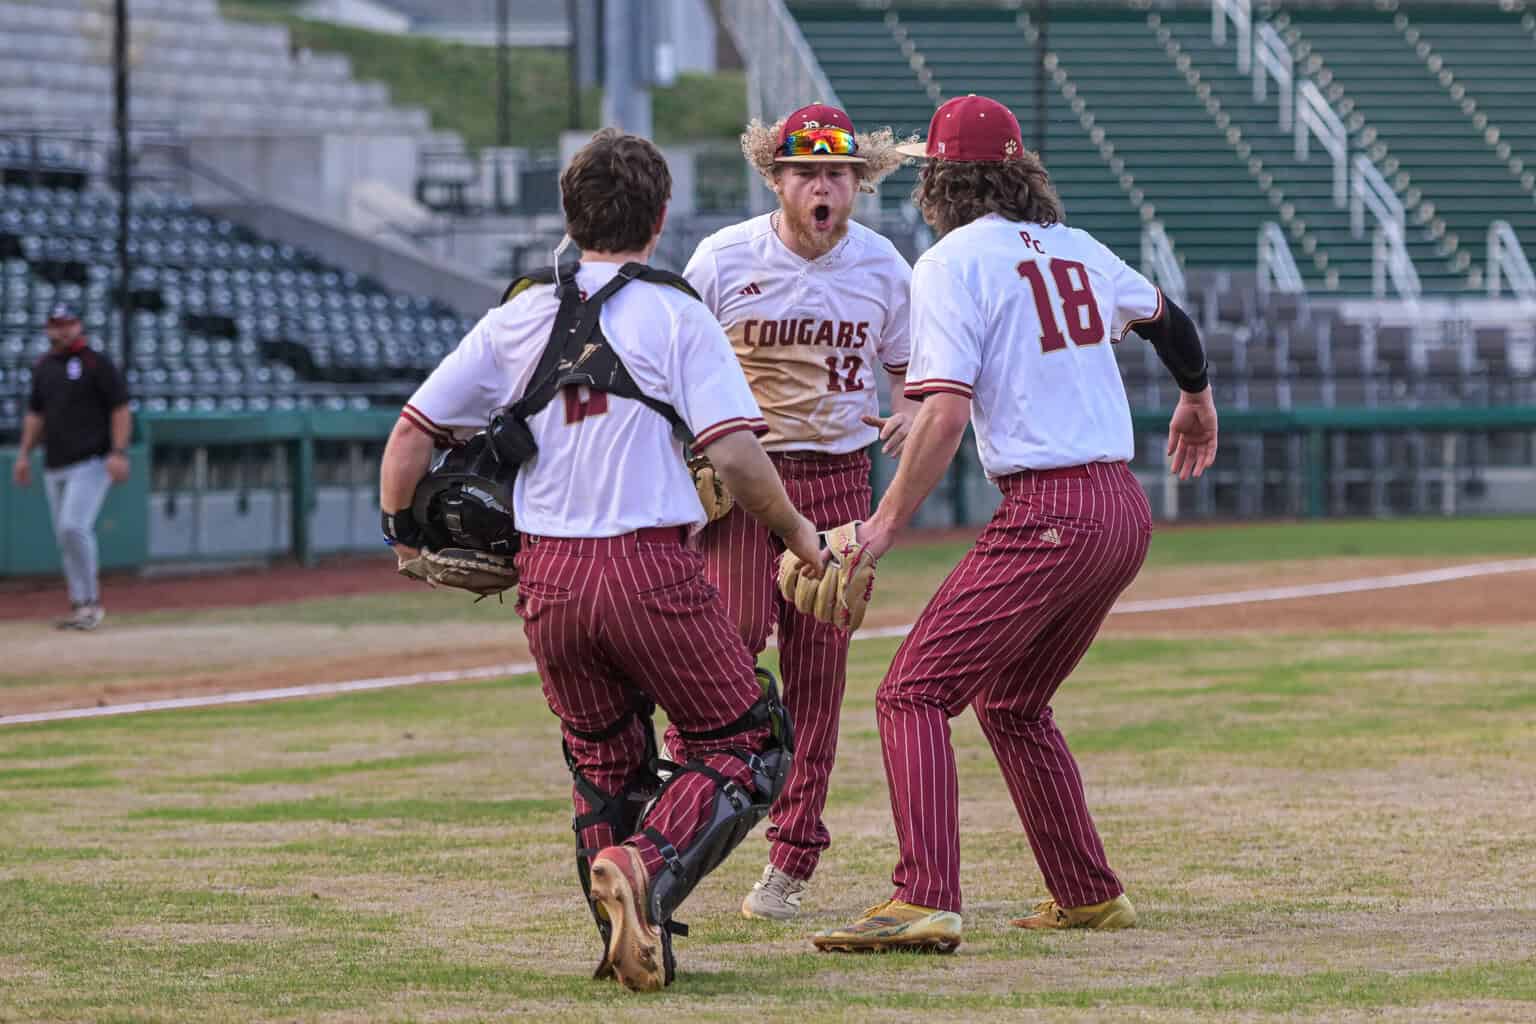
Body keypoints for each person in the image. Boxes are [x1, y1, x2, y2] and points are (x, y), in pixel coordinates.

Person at [376, 128, 824, 992]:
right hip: (646, 570)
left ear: (570, 217)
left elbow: (411, 434)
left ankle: (630, 938)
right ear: (660, 219)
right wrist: (800, 533)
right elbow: (733, 454)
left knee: (602, 759)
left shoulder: (515, 315)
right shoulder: (678, 313)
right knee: (746, 741)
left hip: (547, 580)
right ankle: (646, 870)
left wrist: (401, 537)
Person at [810, 95, 1219, 953]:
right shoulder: (1075, 248)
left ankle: (923, 896)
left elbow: (953, 411)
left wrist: (883, 523)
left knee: (911, 692)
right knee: (1012, 699)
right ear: (1021, 168)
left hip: (1052, 512)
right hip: (1119, 509)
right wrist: (1196, 398)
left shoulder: (951, 260)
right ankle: (1087, 893)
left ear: (940, 182)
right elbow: (1168, 322)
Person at [680, 103, 917, 920]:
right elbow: (669, 361)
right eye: (808, 173)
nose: (824, 187)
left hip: (840, 478)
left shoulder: (884, 266)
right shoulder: (721, 258)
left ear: (859, 184)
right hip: (748, 480)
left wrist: (908, 412)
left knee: (818, 676)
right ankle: (695, 793)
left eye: (839, 174)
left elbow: (910, 375)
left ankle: (791, 858)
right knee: (723, 643)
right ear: (775, 179)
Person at [11, 305, 132, 630]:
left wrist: (118, 451)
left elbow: (121, 408)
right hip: (55, 463)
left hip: (92, 460)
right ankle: (80, 604)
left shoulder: (96, 362)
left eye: (68, 324)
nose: (62, 330)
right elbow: (36, 415)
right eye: (56, 325)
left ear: (79, 325)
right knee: (65, 537)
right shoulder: (44, 367)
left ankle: (91, 602)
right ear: (48, 329)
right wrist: (24, 454)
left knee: (73, 527)